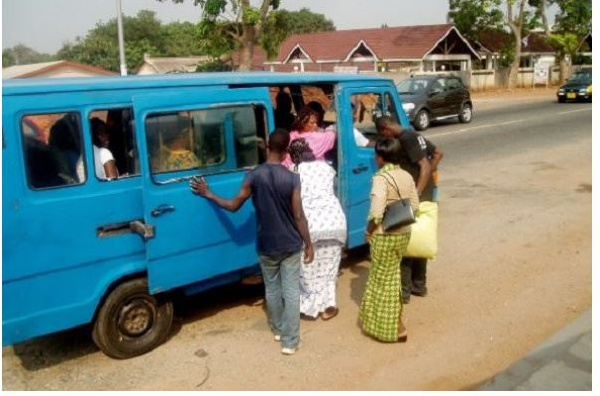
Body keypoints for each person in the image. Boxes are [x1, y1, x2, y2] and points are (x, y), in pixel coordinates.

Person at [190, 129, 314, 355]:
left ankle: (277, 329)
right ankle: (290, 341)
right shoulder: (293, 178)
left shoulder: (254, 176)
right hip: (291, 244)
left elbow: (233, 205)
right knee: (291, 292)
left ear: (267, 146)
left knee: (273, 290)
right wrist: (309, 243)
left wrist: (209, 193)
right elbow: (299, 215)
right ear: (287, 150)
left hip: (266, 244)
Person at [376, 116, 443, 304]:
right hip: (427, 196)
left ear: (385, 130)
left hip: (416, 197)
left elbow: (424, 165)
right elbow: (437, 153)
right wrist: (429, 176)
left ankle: (404, 292)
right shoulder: (414, 134)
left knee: (405, 242)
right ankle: (419, 286)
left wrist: (416, 192)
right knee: (420, 239)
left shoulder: (406, 139)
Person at [360, 138, 419, 342]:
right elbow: (415, 206)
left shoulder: (381, 178)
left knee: (383, 281)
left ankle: (394, 327)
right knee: (392, 276)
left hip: (384, 235)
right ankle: (393, 323)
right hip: (404, 232)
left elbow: (376, 212)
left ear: (381, 157)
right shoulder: (406, 175)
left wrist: (368, 232)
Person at [288, 138, 347, 320]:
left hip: (310, 225)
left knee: (308, 267)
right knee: (329, 267)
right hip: (335, 221)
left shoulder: (293, 171)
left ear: (293, 156)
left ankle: (309, 306)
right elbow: (334, 190)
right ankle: (329, 305)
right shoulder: (327, 168)